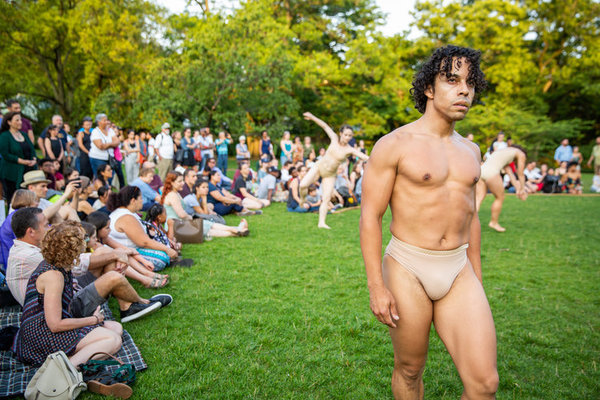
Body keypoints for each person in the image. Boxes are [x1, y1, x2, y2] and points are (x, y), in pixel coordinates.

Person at [360, 45, 497, 400]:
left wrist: (478, 279)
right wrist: (377, 286)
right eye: (452, 80)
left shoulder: (472, 151)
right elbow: (370, 217)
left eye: (470, 82)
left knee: (485, 385)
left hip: (458, 268)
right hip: (408, 266)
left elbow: (471, 218)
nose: (464, 90)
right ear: (429, 89)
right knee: (410, 369)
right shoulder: (394, 145)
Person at [11, 221, 124, 371]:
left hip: (49, 329)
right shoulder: (53, 276)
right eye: (82, 240)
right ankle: (63, 371)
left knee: (116, 328)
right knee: (113, 339)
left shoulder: (58, 266)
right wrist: (93, 320)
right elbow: (55, 325)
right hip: (41, 337)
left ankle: (73, 359)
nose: (85, 243)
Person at [300, 112, 369, 229]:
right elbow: (325, 126)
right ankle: (302, 200)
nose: (347, 137)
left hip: (330, 175)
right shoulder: (334, 139)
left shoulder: (349, 150)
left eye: (350, 136)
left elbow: (366, 157)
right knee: (303, 185)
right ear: (341, 134)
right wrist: (312, 117)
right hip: (318, 167)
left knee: (326, 198)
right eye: (345, 134)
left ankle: (321, 222)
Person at [107, 186, 178, 272]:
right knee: (162, 258)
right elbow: (143, 242)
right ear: (133, 200)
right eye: (141, 198)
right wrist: (167, 249)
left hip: (129, 250)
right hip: (127, 252)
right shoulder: (126, 217)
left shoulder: (124, 213)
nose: (142, 201)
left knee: (164, 251)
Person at [476, 145, 528, 232]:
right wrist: (523, 189)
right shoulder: (521, 154)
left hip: (481, 171)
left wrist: (518, 190)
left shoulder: (504, 152)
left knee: (479, 197)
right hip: (491, 173)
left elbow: (511, 175)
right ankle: (494, 222)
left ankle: (469, 222)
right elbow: (520, 174)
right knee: (500, 197)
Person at [0, 112, 37, 201]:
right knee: (14, 198)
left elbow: (32, 149)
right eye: (17, 120)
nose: (20, 122)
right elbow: (5, 154)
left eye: (20, 120)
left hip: (28, 170)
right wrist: (21, 161)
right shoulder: (5, 136)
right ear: (9, 122)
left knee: (29, 197)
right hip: (12, 172)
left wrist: (34, 159)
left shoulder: (24, 134)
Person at [89, 113, 119, 180]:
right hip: (97, 158)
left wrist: (106, 144)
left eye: (107, 120)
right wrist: (112, 144)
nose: (107, 122)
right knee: (101, 178)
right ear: (99, 122)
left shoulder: (110, 131)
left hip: (109, 158)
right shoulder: (95, 132)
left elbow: (117, 142)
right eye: (104, 120)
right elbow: (100, 146)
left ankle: (108, 189)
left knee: (110, 177)